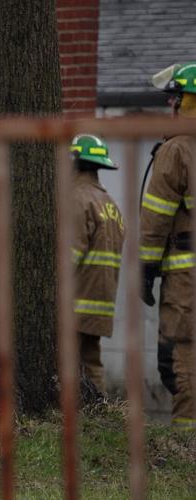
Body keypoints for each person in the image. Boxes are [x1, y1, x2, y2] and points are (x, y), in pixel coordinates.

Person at [141, 62, 196, 430]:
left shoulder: (176, 150)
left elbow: (156, 218)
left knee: (179, 363)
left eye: (175, 99)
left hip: (185, 280)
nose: (170, 107)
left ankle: (186, 449)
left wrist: (145, 269)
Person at [69, 134, 124, 393]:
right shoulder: (110, 204)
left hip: (76, 299)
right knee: (91, 361)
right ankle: (99, 413)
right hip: (101, 301)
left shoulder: (78, 199)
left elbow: (69, 253)